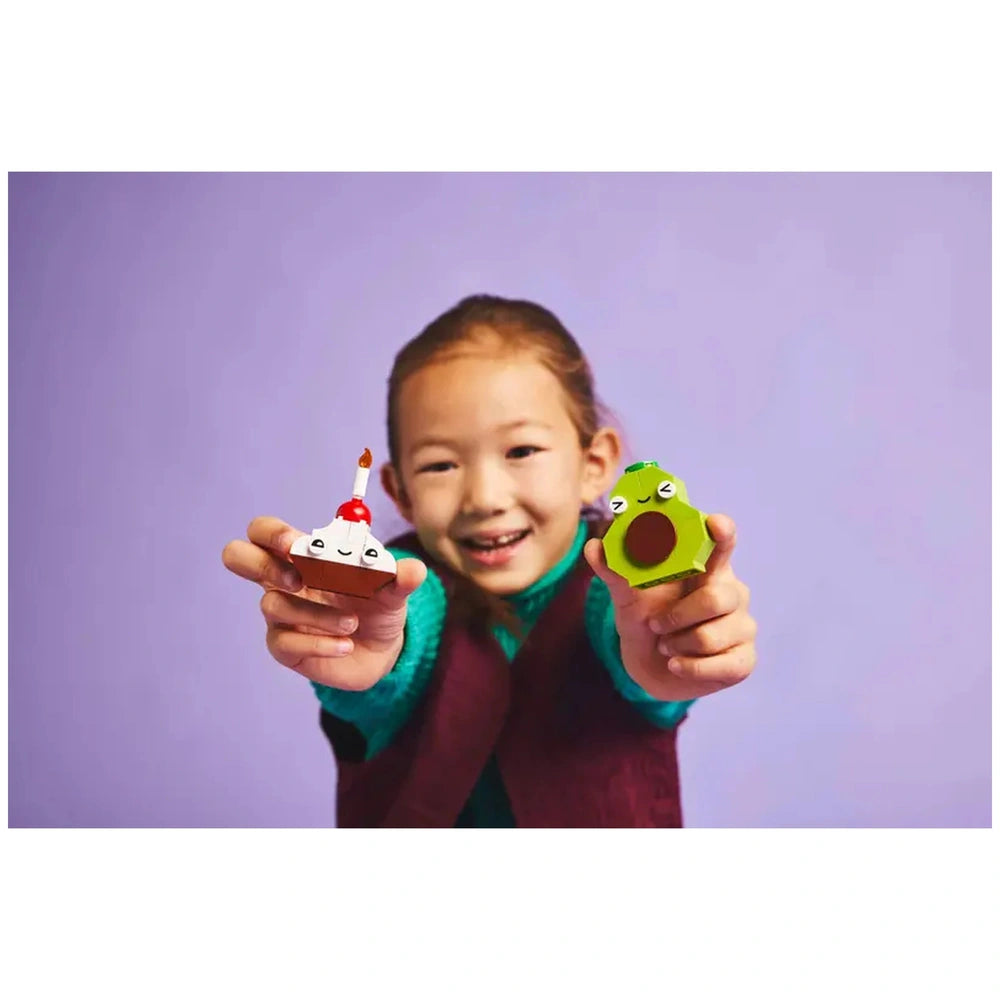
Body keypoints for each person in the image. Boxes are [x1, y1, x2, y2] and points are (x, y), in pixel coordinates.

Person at [221, 294, 757, 827]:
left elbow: (620, 622)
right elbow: (409, 612)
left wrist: (661, 638)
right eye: (439, 465)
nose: (484, 497)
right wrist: (361, 631)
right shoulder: (395, 595)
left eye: (521, 451)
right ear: (399, 491)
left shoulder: (615, 588)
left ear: (594, 464)